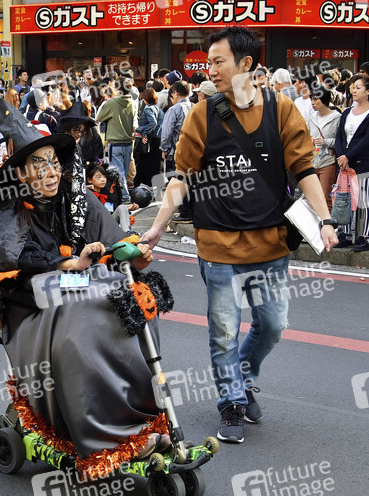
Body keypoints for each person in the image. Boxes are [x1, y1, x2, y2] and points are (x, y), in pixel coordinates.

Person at [142, 27, 337, 444]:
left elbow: (304, 170)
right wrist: (156, 226)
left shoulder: (281, 109)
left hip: (271, 242)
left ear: (246, 64)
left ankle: (244, 377)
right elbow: (181, 177)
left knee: (273, 324)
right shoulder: (202, 113)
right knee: (224, 330)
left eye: (218, 62)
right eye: (208, 62)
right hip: (217, 243)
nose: (210, 70)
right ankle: (230, 402)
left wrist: (325, 220)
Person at [0, 98, 169, 476]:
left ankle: (143, 420)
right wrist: (66, 264)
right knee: (80, 321)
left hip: (78, 288)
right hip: (30, 309)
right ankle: (107, 436)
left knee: (133, 299)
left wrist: (137, 250)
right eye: (38, 164)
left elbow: (117, 239)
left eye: (53, 162)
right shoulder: (9, 208)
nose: (50, 172)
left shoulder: (74, 196)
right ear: (20, 173)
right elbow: (13, 265)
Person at [335, 74, 369, 252]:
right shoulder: (347, 112)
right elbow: (339, 136)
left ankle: (365, 236)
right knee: (344, 198)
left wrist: (348, 156)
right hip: (344, 163)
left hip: (363, 162)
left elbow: (367, 139)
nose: (354, 90)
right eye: (353, 87)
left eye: (358, 87)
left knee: (364, 200)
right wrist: (342, 156)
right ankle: (345, 233)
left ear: (368, 91)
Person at [96, 76, 136, 202]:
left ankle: (124, 196)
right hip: (128, 141)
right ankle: (123, 194)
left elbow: (99, 117)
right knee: (124, 170)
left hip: (115, 141)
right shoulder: (132, 102)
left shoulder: (112, 102)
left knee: (118, 172)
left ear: (117, 87)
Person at [308, 86, 340, 210]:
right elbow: (305, 135)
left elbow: (340, 141)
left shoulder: (336, 118)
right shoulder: (311, 117)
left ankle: (327, 220)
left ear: (324, 100)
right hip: (312, 161)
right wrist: (310, 140)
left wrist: (325, 142)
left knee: (325, 196)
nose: (313, 102)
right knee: (311, 198)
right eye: (312, 99)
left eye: (316, 99)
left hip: (328, 160)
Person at [134, 88, 162, 187]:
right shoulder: (158, 109)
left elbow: (152, 123)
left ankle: (139, 186)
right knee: (154, 166)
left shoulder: (148, 109)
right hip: (157, 139)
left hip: (149, 139)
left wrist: (142, 130)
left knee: (143, 163)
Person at [160, 81, 189, 174]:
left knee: (175, 177)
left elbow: (167, 132)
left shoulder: (174, 109)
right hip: (193, 149)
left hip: (177, 148)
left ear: (175, 93)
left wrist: (164, 149)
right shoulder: (195, 106)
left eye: (171, 97)